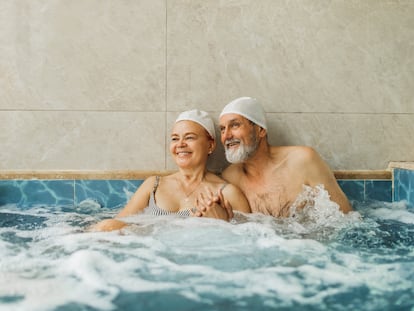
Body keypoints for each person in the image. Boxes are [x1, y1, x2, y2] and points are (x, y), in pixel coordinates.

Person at [92, 109, 250, 231]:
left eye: (189, 137)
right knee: (106, 226)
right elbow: (121, 222)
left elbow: (253, 239)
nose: (180, 144)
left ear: (210, 145)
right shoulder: (154, 185)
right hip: (153, 255)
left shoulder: (227, 193)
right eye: (175, 138)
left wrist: (221, 225)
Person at [210, 96, 353, 218]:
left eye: (235, 125)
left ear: (260, 130)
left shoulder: (302, 161)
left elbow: (345, 218)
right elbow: (189, 213)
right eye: (222, 129)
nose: (226, 136)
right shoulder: (230, 177)